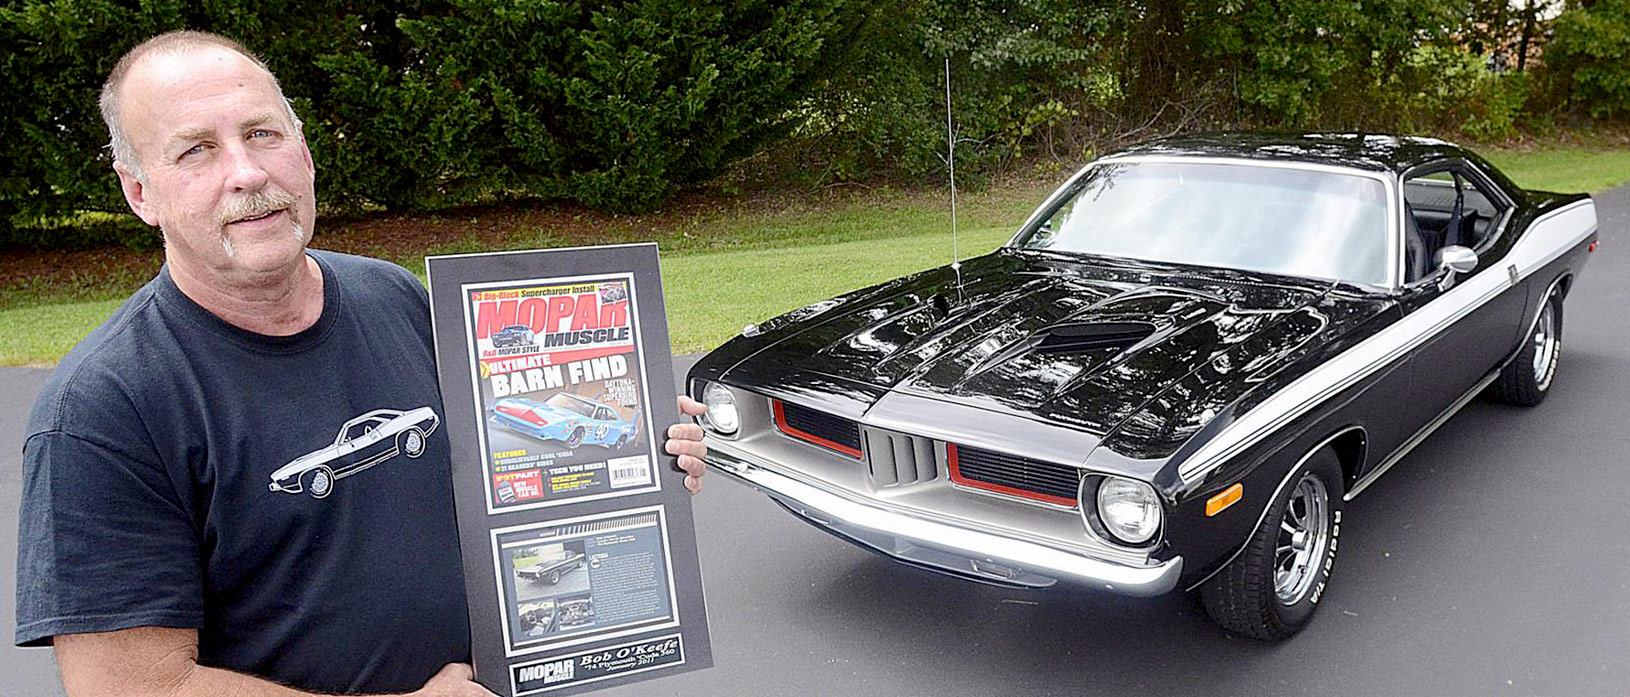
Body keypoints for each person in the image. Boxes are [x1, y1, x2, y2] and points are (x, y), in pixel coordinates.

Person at [12, 31, 709, 696]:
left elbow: (508, 463)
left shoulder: (394, 295)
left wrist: (639, 449)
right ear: (140, 193)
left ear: (304, 151)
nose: (248, 173)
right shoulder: (104, 409)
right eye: (196, 151)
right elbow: (132, 684)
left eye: (262, 133)